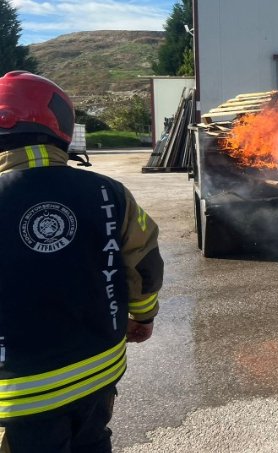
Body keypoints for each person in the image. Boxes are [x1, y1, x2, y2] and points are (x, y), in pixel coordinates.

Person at [0, 71, 163, 452]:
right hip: (99, 370)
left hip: (19, 395)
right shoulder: (108, 192)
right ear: (60, 123)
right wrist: (143, 317)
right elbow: (144, 263)